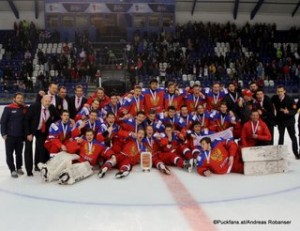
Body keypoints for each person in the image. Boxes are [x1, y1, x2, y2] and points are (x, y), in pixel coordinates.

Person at [25, 95, 59, 175]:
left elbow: (58, 117)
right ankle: (29, 170)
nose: (47, 103)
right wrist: (28, 133)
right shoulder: (34, 106)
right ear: (42, 101)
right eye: (46, 101)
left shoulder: (51, 107)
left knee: (41, 148)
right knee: (28, 150)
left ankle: (38, 165)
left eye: (49, 101)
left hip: (41, 130)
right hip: (31, 130)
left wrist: (51, 123)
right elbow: (26, 120)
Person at [1, 93, 27, 178]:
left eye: (21, 98)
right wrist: (3, 133)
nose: (20, 99)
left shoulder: (24, 108)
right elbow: (3, 122)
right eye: (18, 98)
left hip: (20, 136)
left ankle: (19, 167)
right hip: (10, 136)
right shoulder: (8, 108)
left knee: (19, 153)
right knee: (10, 154)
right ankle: (12, 169)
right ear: (14, 99)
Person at [272, 85, 299, 159]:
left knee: (293, 137)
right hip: (280, 121)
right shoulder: (274, 98)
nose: (280, 93)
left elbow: (295, 110)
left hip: (289, 121)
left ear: (284, 91)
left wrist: (288, 112)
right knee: (281, 137)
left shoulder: (290, 99)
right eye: (278, 91)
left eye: (281, 91)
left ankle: (296, 153)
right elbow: (269, 103)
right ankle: (280, 154)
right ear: (276, 92)